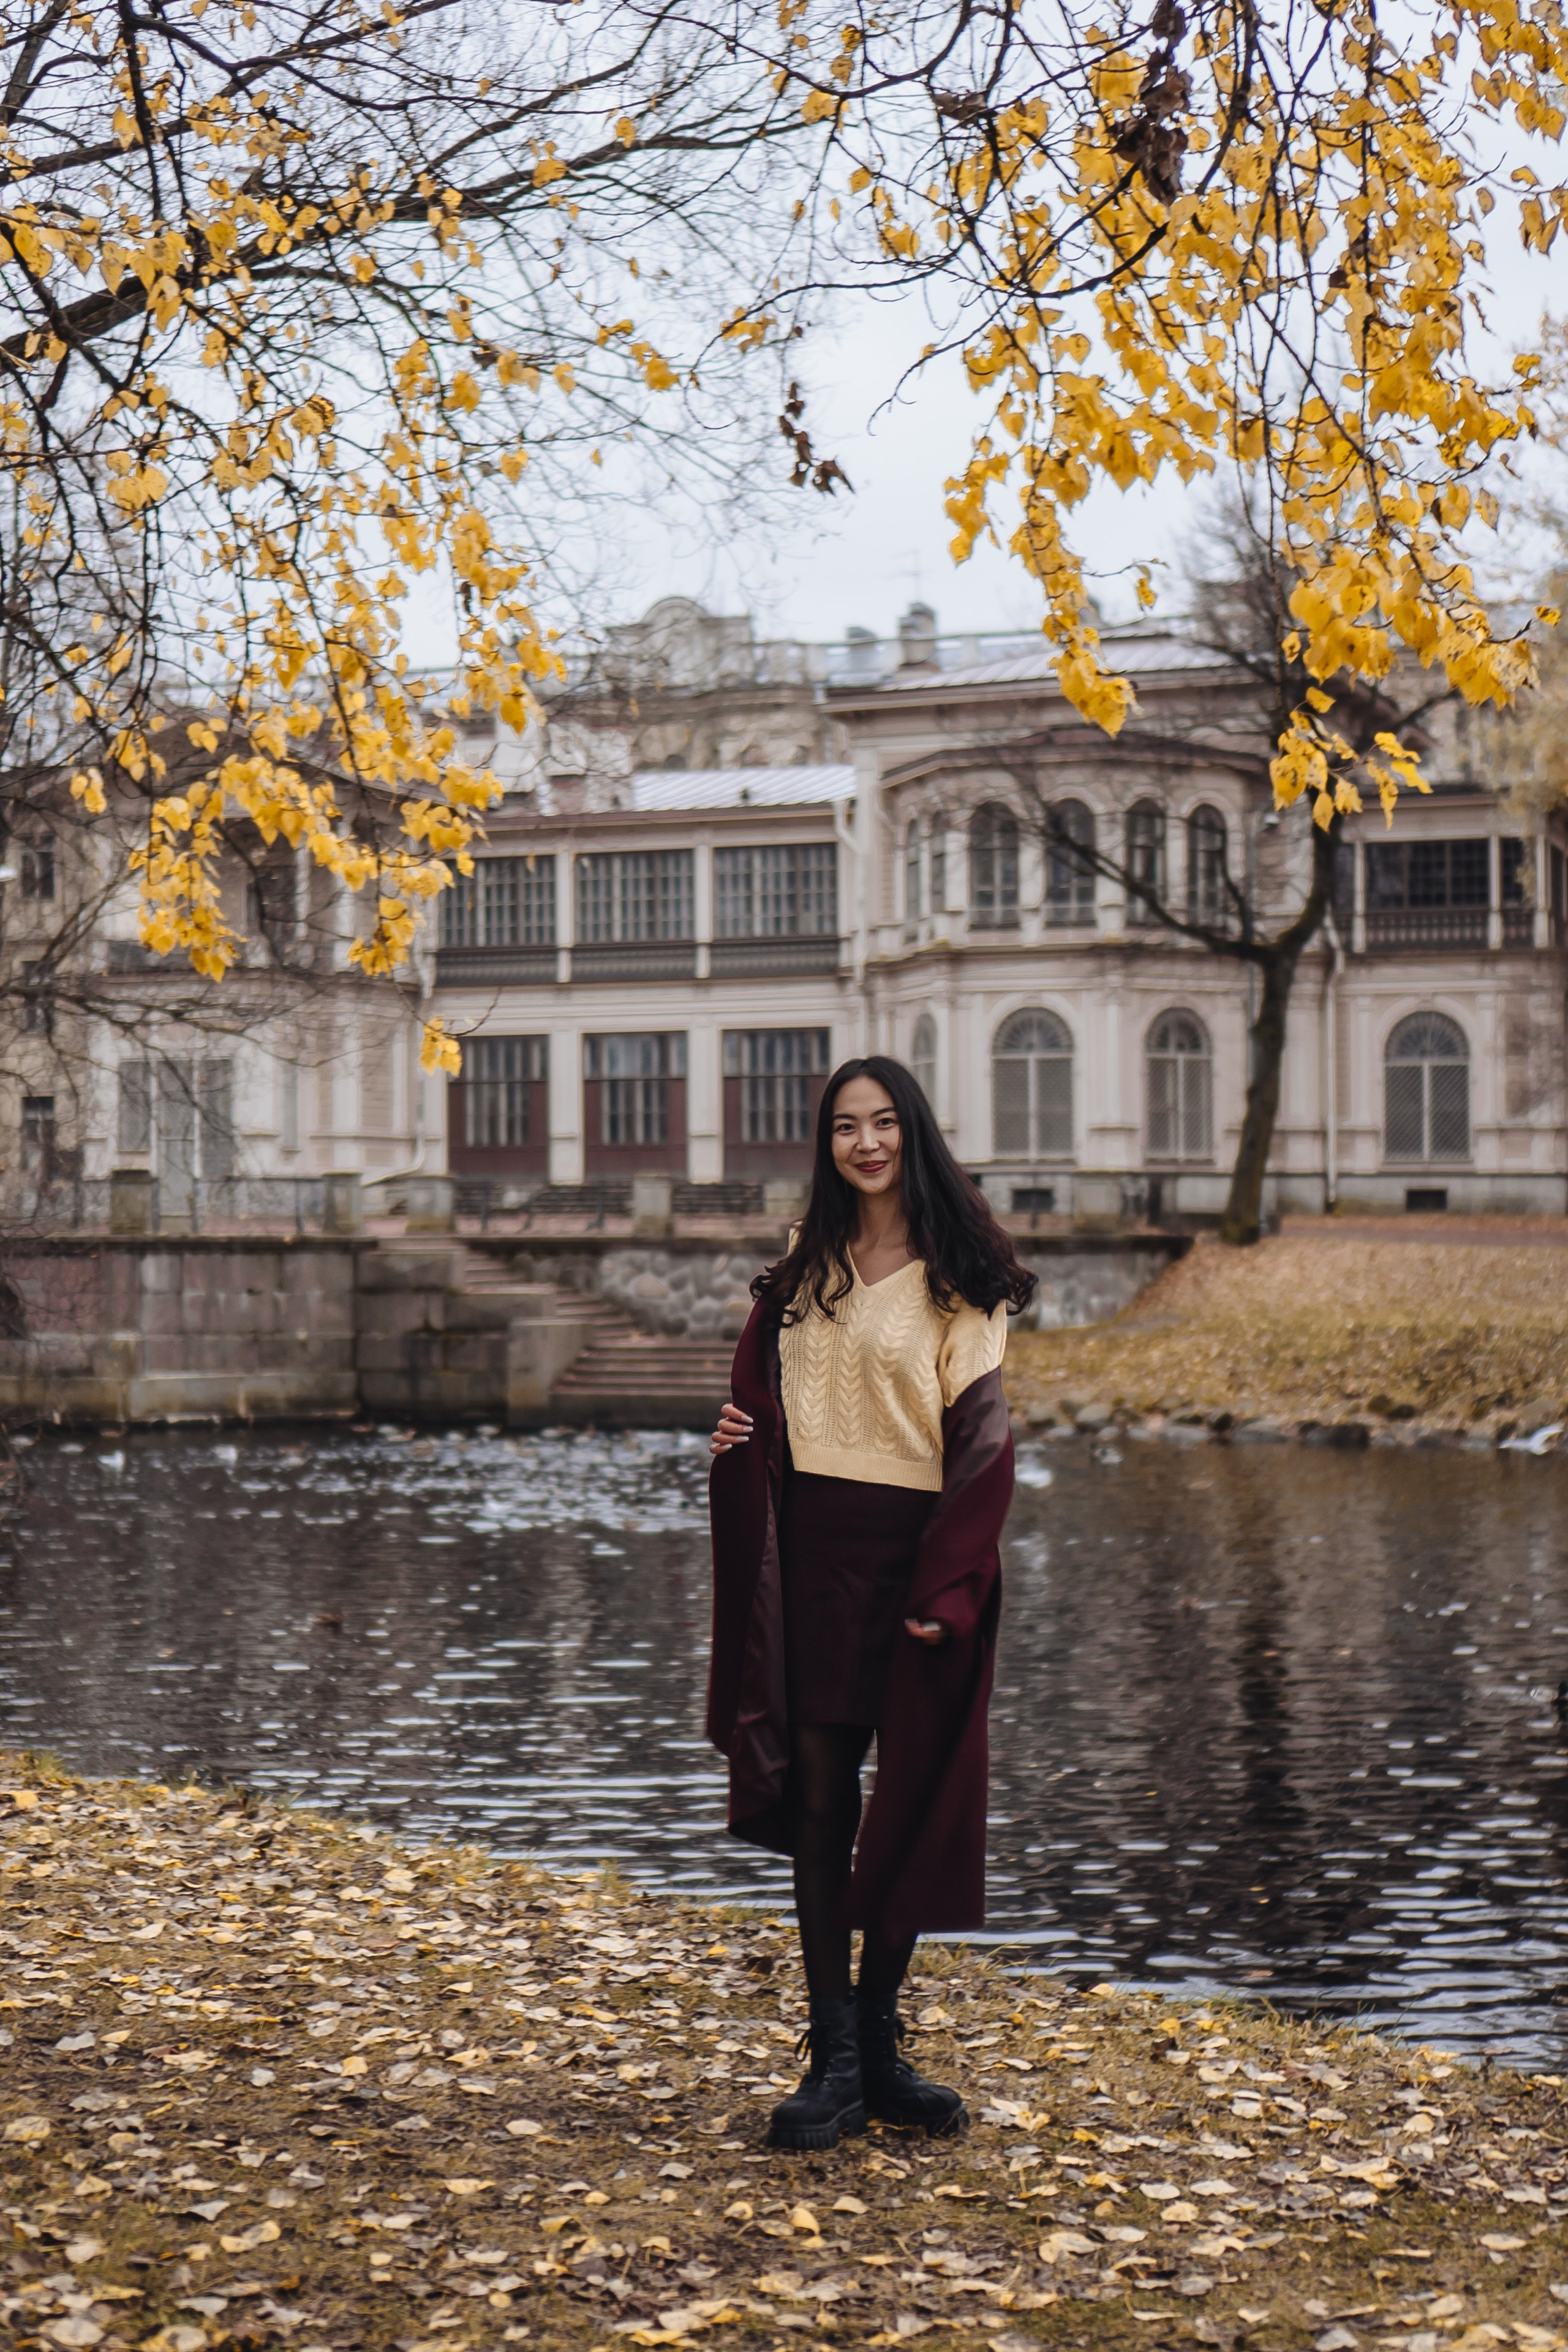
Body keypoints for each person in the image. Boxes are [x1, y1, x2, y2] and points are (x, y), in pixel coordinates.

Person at [706, 1055, 1035, 2150]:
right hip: (806, 1559)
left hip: (916, 1562)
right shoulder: (801, 1270)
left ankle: (883, 2042)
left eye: (884, 1123)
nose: (866, 1144)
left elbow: (983, 1451)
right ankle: (835, 2053)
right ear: (828, 1144)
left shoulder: (962, 1278)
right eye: (846, 1126)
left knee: (908, 1807)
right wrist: (732, 1442)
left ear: (913, 1134)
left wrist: (947, 1586)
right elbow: (758, 1401)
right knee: (818, 1802)